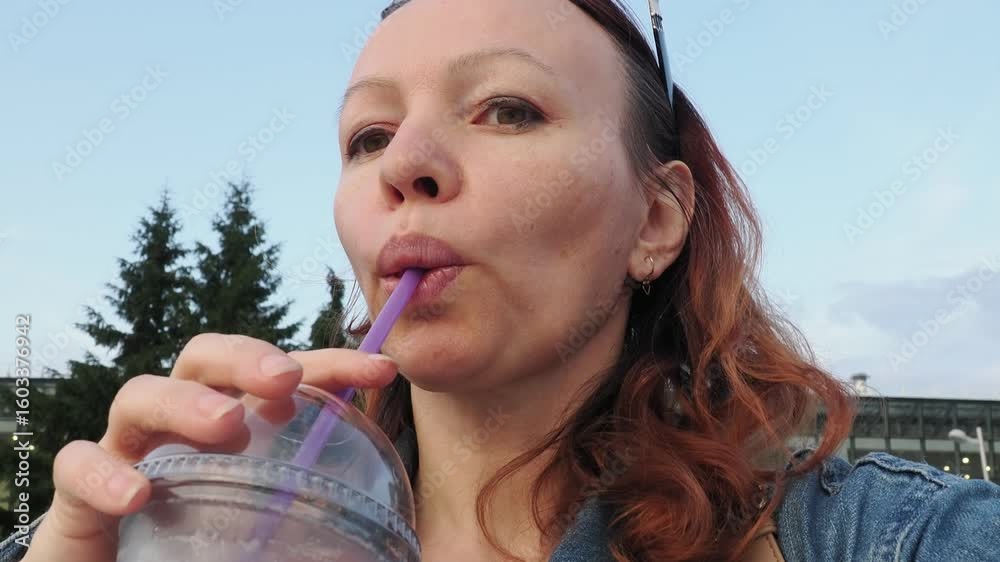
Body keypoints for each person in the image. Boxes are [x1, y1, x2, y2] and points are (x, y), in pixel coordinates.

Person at [6, 1, 1000, 560]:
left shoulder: (878, 539)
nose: (405, 164)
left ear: (656, 219)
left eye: (507, 109)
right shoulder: (160, 528)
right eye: (369, 134)